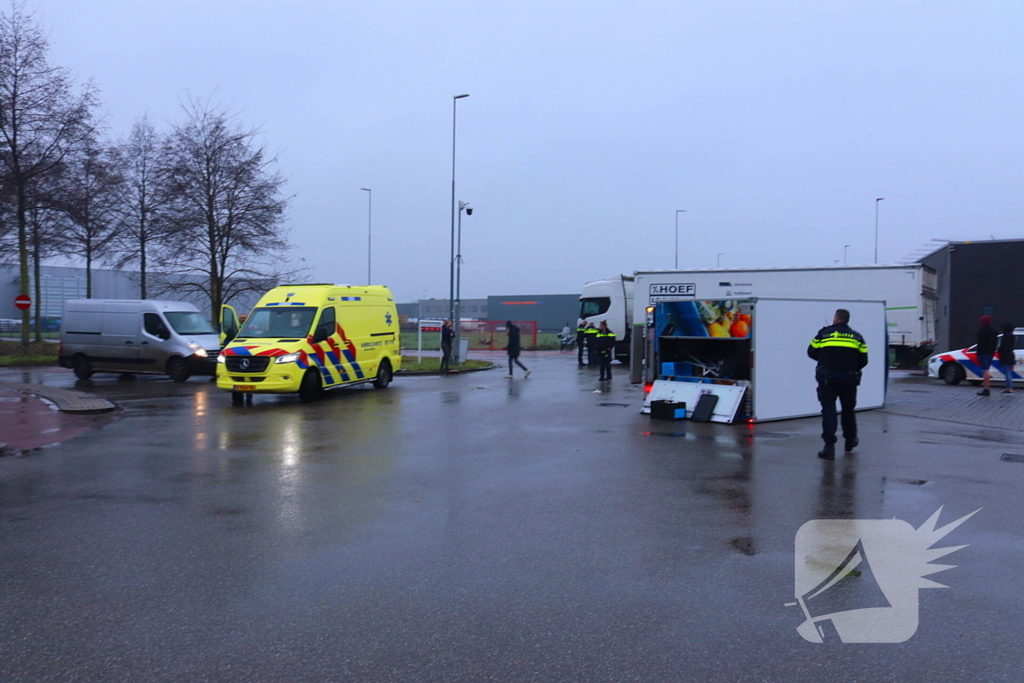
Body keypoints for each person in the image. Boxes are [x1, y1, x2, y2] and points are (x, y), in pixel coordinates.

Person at [807, 308, 869, 460]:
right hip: (849, 378)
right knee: (848, 410)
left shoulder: (824, 334)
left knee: (829, 410)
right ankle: (850, 440)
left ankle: (829, 447)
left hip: (827, 377)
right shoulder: (857, 337)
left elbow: (811, 352)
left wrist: (825, 360)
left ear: (835, 318)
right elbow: (864, 360)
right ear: (847, 320)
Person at [976, 315, 998, 396]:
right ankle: (986, 387)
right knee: (986, 369)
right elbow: (996, 342)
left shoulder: (981, 331)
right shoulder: (994, 331)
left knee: (985, 370)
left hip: (983, 353)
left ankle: (986, 388)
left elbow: (980, 343)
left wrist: (978, 353)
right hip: (990, 353)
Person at [998, 322, 1015, 394]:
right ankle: (1009, 387)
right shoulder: (1012, 335)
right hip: (1010, 355)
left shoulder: (1005, 336)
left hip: (1005, 356)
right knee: (1009, 372)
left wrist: (999, 351)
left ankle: (1009, 388)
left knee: (1007, 372)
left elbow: (1002, 346)